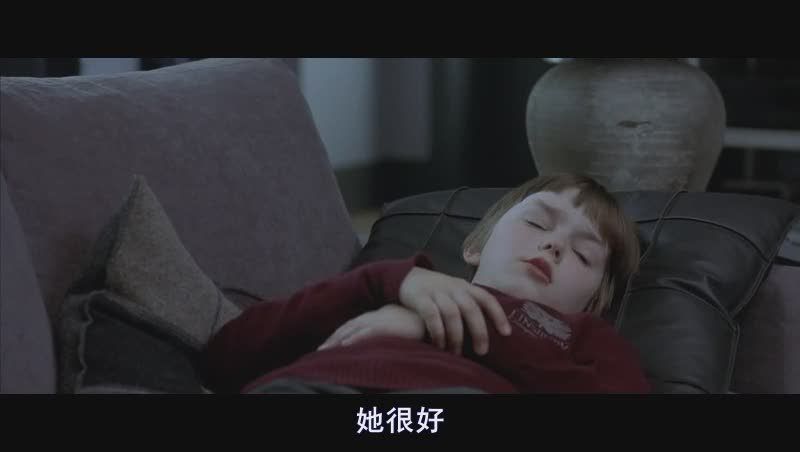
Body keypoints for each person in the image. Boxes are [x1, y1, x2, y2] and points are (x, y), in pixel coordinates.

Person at [202, 173, 650, 394]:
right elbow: (225, 356)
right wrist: (382, 283)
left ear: (591, 302)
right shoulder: (391, 288)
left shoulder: (581, 337)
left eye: (583, 254)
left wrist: (437, 324)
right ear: (475, 247)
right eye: (537, 222)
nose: (554, 245)